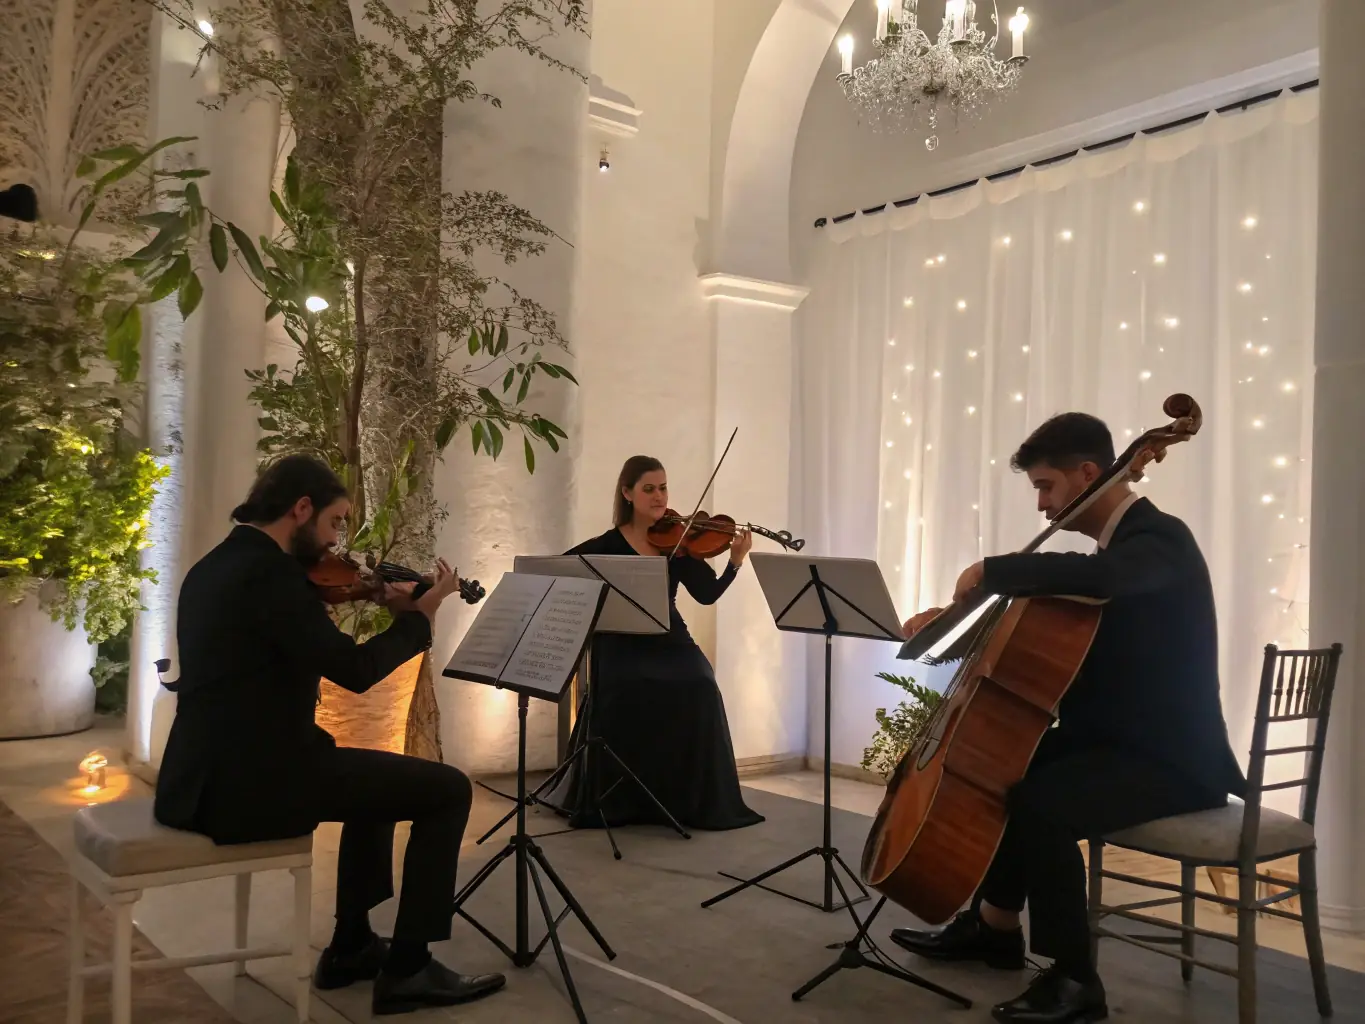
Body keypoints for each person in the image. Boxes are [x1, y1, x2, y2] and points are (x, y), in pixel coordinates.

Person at [887, 413, 1247, 1024]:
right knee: (1005, 772)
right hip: (1115, 745)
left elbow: (1103, 578)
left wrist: (994, 571)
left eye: (1047, 487)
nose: (1042, 506)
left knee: (1043, 804)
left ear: (1089, 474)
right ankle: (996, 927)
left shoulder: (1158, 541)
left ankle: (1076, 980)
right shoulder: (1106, 558)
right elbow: (1045, 638)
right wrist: (950, 625)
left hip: (1174, 762)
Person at [154, 454, 506, 1016]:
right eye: (337, 522)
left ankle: (352, 947)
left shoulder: (220, 564)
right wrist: (419, 617)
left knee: (376, 779)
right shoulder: (272, 577)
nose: (339, 541)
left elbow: (284, 638)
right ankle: (409, 970)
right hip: (250, 788)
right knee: (448, 789)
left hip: (204, 772)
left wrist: (365, 597)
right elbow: (356, 673)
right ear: (301, 509)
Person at [545, 455, 764, 832]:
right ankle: (620, 800)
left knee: (701, 685)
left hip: (668, 637)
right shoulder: (606, 545)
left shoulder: (677, 543)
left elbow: (707, 594)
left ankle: (686, 799)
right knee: (622, 688)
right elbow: (562, 571)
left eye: (663, 488)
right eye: (649, 489)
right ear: (627, 493)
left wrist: (735, 562)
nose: (659, 496)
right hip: (619, 641)